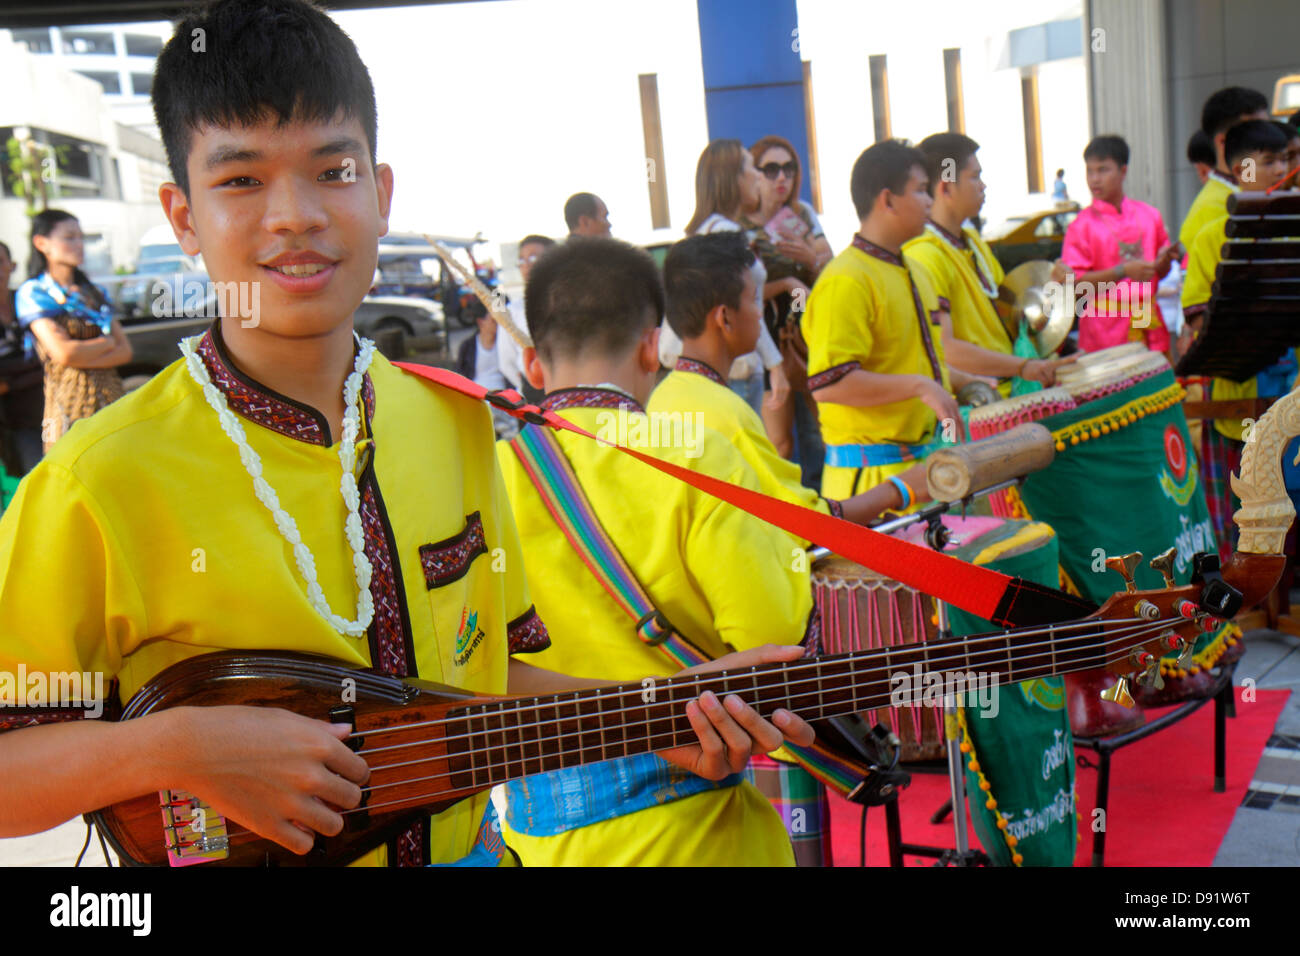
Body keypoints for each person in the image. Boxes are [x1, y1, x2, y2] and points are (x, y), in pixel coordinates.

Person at [0, 0, 814, 867]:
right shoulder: (100, 477)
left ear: (380, 194)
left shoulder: (455, 420)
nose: (294, 215)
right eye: (240, 180)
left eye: (332, 170)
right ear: (183, 216)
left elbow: (482, 681)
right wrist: (172, 749)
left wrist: (656, 716)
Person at [495, 236, 820, 866]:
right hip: (702, 836)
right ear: (653, 347)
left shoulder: (483, 479)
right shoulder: (696, 457)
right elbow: (775, 643)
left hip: (537, 844)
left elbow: (462, 665)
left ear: (533, 364)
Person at [651, 231, 931, 530]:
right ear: (725, 318)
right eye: (754, 299)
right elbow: (807, 524)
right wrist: (899, 489)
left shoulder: (664, 396)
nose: (760, 313)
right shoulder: (729, 417)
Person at [802, 140, 967, 501]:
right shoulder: (845, 280)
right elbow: (829, 384)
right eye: (921, 190)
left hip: (921, 471)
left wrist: (973, 385)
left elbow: (924, 362)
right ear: (887, 200)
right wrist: (921, 387)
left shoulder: (916, 272)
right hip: (868, 484)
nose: (930, 201)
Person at [1181, 119, 1291, 560]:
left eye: (1284, 158)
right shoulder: (1211, 234)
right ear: (1241, 169)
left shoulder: (1293, 229)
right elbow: (1195, 316)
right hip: (1236, 393)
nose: (1281, 168)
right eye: (1269, 161)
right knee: (1242, 509)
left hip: (1291, 390)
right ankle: (1245, 597)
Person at [906, 133, 1066, 394]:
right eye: (975, 176)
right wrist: (1022, 366)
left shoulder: (972, 242)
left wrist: (1054, 289)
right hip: (979, 401)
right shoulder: (924, 255)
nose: (983, 186)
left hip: (1011, 385)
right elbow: (947, 350)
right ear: (946, 187)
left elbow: (1010, 318)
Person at [659, 140, 790, 417]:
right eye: (750, 167)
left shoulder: (705, 232)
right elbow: (745, 304)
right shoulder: (726, 237)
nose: (757, 174)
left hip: (711, 369)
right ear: (732, 179)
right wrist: (775, 364)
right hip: (734, 370)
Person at [742, 134, 832, 486]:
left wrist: (812, 261)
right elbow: (739, 292)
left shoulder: (801, 214)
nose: (782, 177)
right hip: (764, 339)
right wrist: (785, 285)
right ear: (755, 174)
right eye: (772, 169)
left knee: (819, 435)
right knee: (778, 442)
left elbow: (829, 268)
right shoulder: (738, 225)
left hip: (806, 334)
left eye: (790, 169)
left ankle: (824, 515)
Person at [16, 210, 132, 450]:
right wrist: (107, 344)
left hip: (112, 397)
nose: (79, 244)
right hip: (67, 404)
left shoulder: (94, 292)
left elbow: (126, 352)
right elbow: (65, 354)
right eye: (69, 238)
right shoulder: (34, 293)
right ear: (41, 243)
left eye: (81, 237)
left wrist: (83, 353)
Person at [1058, 135, 1178, 354]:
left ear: (1123, 171)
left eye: (1103, 170)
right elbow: (1074, 285)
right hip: (1103, 329)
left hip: (1146, 319)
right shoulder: (1081, 226)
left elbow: (1161, 273)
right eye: (1090, 171)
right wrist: (1123, 271)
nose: (1094, 179)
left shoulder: (1150, 216)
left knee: (1156, 387)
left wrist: (1164, 261)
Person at [1178, 86, 1270, 253]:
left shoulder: (1256, 191)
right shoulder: (1209, 208)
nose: (1270, 141)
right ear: (1224, 142)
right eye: (1257, 133)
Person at [0, 240, 44, 475]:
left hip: (52, 408)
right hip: (13, 423)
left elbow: (56, 356)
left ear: (12, 266)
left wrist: (11, 380)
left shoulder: (29, 300)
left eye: (0, 262)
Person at [497, 234, 553, 404]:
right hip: (533, 400)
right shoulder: (512, 311)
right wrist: (530, 385)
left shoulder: (573, 306)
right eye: (521, 261)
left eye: (534, 258)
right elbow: (506, 362)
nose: (526, 266)